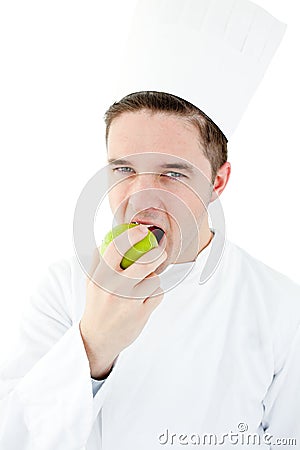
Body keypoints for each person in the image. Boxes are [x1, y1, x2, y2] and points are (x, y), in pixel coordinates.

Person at [1, 2, 300, 450]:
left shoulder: (281, 309)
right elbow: (15, 437)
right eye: (123, 169)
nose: (141, 195)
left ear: (217, 181)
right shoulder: (61, 290)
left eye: (173, 173)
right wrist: (93, 346)